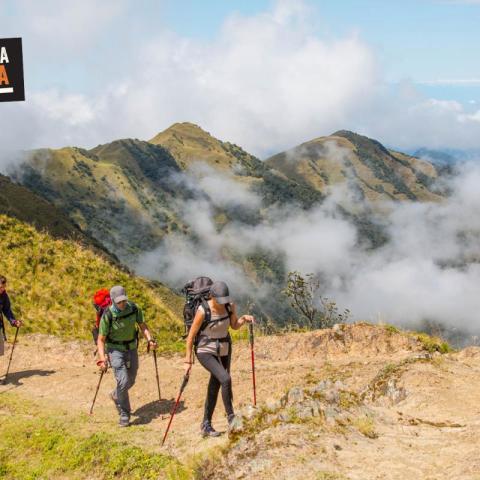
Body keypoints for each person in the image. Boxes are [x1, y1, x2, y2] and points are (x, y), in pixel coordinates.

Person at [184, 281, 254, 437]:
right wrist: (188, 361)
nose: (223, 302)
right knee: (225, 379)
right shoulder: (203, 310)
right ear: (212, 297)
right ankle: (231, 419)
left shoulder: (229, 306)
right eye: (220, 300)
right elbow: (191, 337)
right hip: (205, 351)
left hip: (223, 350)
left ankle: (206, 424)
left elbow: (234, 325)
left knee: (215, 385)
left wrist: (243, 318)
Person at [96, 285, 157, 427]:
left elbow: (143, 325)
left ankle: (116, 394)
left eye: (123, 300)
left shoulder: (134, 308)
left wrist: (150, 339)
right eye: (119, 302)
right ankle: (125, 414)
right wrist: (102, 358)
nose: (122, 304)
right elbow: (101, 339)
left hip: (131, 348)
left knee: (131, 379)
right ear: (112, 301)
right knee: (123, 381)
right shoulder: (108, 315)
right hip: (115, 350)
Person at [0, 276, 22, 356]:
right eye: (1, 287)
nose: (2, 289)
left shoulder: (4, 296)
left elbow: (7, 310)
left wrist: (14, 322)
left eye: (4, 287)